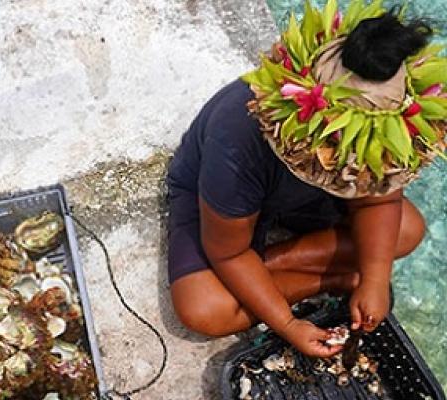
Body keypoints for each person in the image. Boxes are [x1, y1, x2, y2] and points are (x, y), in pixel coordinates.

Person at [167, 2, 444, 358]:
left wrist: (374, 280)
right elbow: (229, 252)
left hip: (308, 198)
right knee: (202, 308)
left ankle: (275, 269)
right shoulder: (235, 139)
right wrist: (287, 323)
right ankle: (334, 278)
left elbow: (381, 199)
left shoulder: (381, 127)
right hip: (220, 205)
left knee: (408, 230)